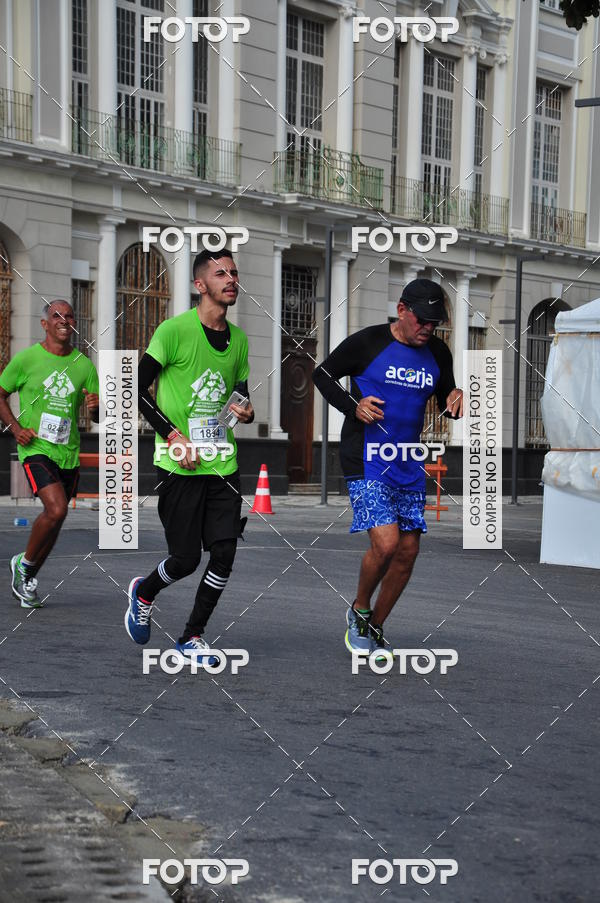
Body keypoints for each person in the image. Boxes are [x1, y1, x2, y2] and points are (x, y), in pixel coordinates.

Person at [312, 278, 463, 657]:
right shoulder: (368, 342)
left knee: (408, 551)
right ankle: (359, 609)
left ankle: (374, 626)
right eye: (422, 320)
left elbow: (447, 397)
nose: (428, 328)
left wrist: (456, 396)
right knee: (387, 542)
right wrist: (354, 406)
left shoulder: (438, 353)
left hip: (407, 460)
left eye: (435, 322)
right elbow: (322, 375)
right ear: (401, 310)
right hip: (366, 456)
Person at [125, 248, 254, 661]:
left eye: (233, 272)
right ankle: (144, 592)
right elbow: (135, 392)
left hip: (222, 464)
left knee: (225, 553)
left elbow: (240, 399)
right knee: (184, 560)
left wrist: (246, 413)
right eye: (221, 274)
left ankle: (191, 635)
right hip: (179, 465)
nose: (231, 279)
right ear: (201, 285)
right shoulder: (173, 331)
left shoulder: (240, 341)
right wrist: (173, 435)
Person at [0, 300, 99, 608]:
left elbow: (97, 416)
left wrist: (97, 409)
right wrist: (16, 429)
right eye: (57, 315)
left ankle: (26, 573)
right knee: (55, 509)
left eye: (69, 315)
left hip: (67, 452)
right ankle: (26, 567)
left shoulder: (84, 365)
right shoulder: (27, 360)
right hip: (35, 448)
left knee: (58, 517)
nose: (64, 319)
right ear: (45, 324)